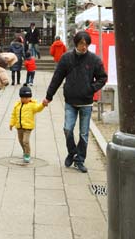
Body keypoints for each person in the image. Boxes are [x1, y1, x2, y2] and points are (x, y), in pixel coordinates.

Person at [45, 31, 108, 173]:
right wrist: (49, 96)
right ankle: (72, 152)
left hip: (86, 102)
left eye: (86, 44)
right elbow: (57, 78)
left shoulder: (94, 60)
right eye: (81, 44)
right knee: (68, 129)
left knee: (84, 134)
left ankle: (80, 159)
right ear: (76, 44)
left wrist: (91, 88)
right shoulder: (66, 58)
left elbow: (102, 78)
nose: (84, 47)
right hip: (70, 101)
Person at [9, 84, 48, 164]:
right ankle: (25, 151)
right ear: (20, 98)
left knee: (25, 141)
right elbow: (14, 115)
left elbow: (38, 108)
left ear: (30, 97)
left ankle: (27, 155)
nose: (26, 99)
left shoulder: (32, 105)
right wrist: (11, 123)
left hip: (28, 127)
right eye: (23, 98)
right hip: (19, 127)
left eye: (27, 97)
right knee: (20, 141)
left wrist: (43, 105)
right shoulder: (17, 105)